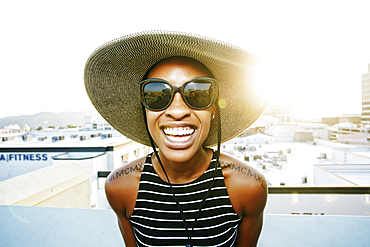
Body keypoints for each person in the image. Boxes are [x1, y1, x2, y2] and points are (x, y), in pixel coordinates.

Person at [84, 30, 269, 247]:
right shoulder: (120, 188)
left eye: (198, 93)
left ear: (214, 109)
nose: (178, 111)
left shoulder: (248, 187)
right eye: (157, 94)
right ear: (144, 110)